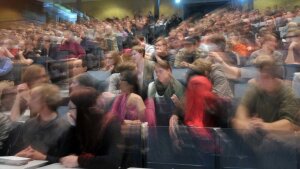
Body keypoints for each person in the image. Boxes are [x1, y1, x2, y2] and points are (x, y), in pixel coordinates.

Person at [232, 56, 300, 133]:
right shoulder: (256, 88)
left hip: (280, 139)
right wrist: (247, 125)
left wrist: (264, 126)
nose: (256, 80)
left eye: (262, 77)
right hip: (260, 135)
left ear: (274, 78)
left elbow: (290, 125)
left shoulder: (288, 93)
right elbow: (242, 110)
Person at [60, 87, 123, 169]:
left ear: (83, 110)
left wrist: (79, 160)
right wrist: (72, 127)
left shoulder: (110, 124)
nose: (69, 113)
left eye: (71, 108)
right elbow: (63, 155)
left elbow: (113, 161)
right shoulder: (80, 126)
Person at [12, 84, 73, 163]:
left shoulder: (65, 128)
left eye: (33, 98)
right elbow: (18, 150)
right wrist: (18, 155)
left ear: (45, 101)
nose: (28, 103)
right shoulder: (28, 124)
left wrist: (44, 157)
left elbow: (68, 160)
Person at [147, 60, 185, 126]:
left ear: (169, 71)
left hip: (172, 121)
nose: (158, 74)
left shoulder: (178, 87)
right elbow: (150, 107)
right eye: (156, 72)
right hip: (156, 120)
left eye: (160, 71)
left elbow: (182, 111)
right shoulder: (152, 86)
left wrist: (177, 107)